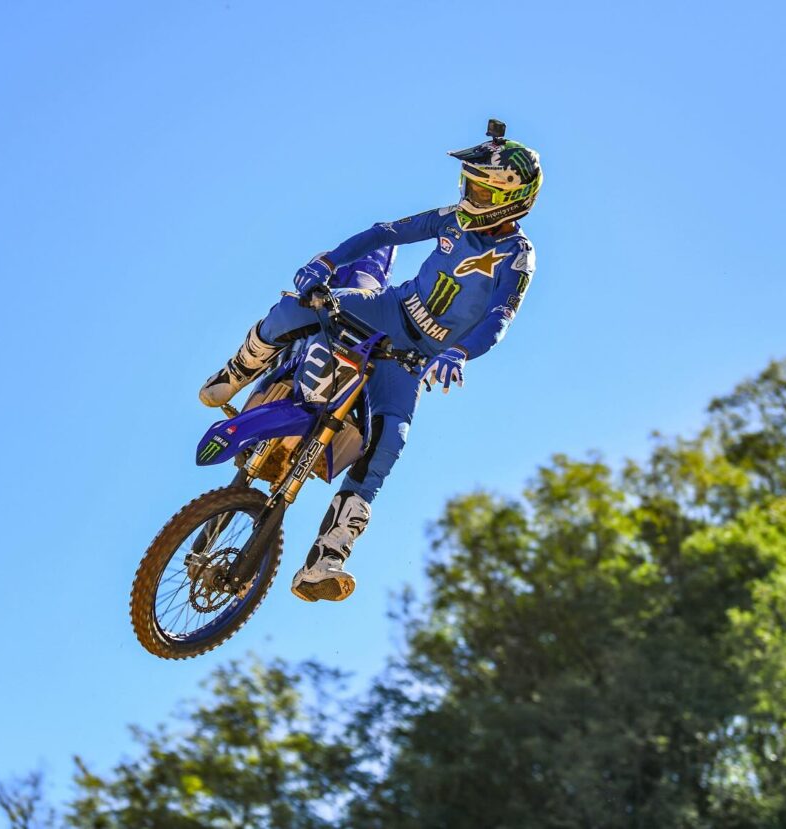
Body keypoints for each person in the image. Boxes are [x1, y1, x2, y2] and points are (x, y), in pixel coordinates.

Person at [199, 122, 542, 602]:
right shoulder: (452, 219)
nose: (470, 197)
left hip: (413, 359)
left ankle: (325, 560)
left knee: (390, 441)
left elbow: (499, 319)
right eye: (468, 184)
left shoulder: (517, 256)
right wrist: (328, 262)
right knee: (300, 307)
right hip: (388, 309)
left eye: (482, 191)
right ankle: (238, 370)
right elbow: (388, 232)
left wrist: (460, 352)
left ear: (512, 199)